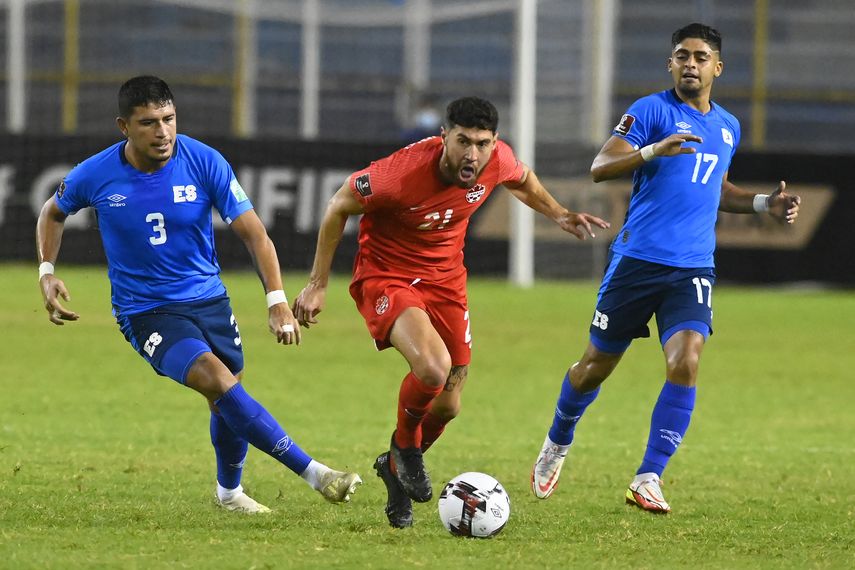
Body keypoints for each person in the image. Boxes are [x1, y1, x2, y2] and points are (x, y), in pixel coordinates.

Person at [36, 75, 361, 514]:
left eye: (168, 119)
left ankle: (229, 493)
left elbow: (255, 235)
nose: (163, 131)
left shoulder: (204, 161)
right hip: (146, 311)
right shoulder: (95, 173)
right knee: (218, 380)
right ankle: (316, 473)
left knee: (226, 396)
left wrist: (277, 300)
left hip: (209, 302)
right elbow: (52, 213)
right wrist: (47, 270)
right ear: (123, 127)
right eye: (148, 122)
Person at [292, 96, 609, 528]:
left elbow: (523, 179)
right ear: (444, 137)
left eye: (482, 143)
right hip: (387, 275)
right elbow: (338, 205)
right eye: (463, 141)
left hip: (446, 282)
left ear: (494, 142)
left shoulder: (497, 160)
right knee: (432, 369)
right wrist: (317, 284)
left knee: (448, 406)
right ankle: (404, 449)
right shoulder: (399, 174)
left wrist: (559, 214)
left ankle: (395, 468)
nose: (473, 154)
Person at [531, 23, 801, 513]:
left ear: (717, 67)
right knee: (594, 368)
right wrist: (654, 148)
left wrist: (764, 203)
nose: (690, 64)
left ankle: (649, 475)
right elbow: (600, 165)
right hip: (636, 261)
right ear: (670, 64)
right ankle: (559, 437)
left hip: (693, 267)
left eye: (701, 57)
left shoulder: (728, 126)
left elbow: (715, 186)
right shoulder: (650, 111)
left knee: (687, 361)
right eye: (682, 56)